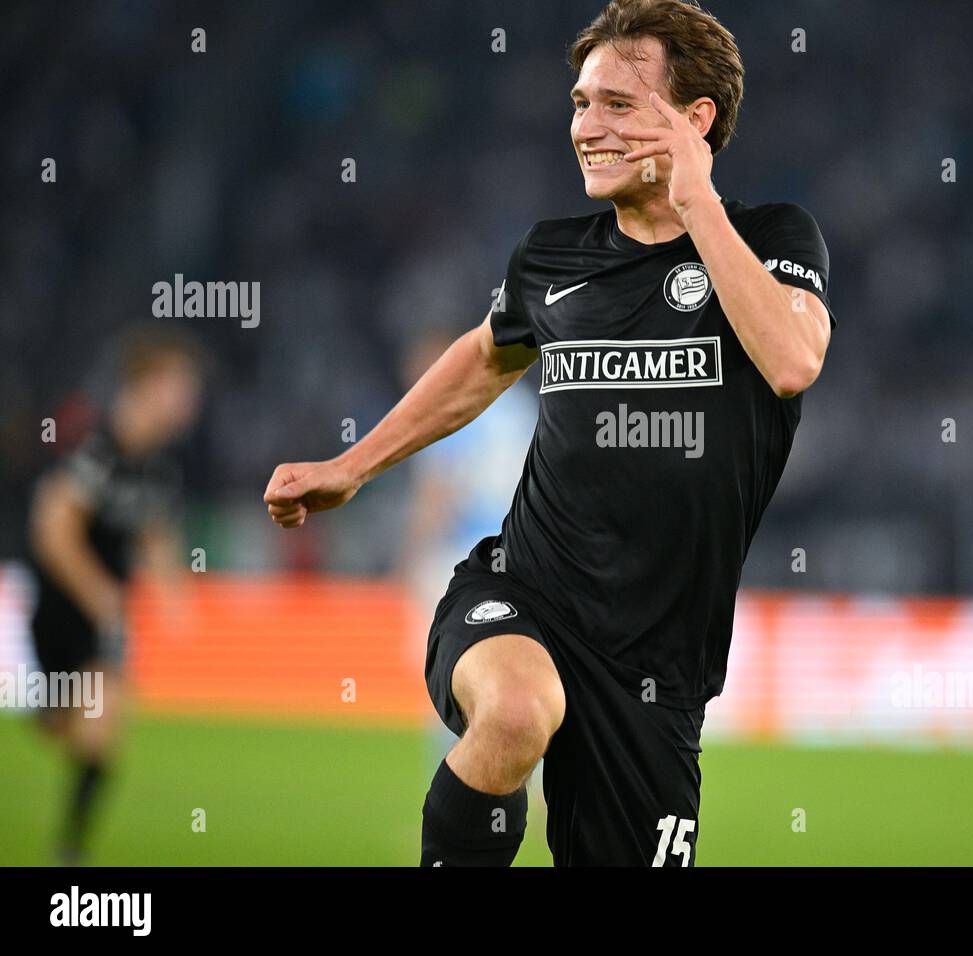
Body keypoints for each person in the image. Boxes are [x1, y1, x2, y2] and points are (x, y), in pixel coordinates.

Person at [264, 0, 834, 866]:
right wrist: (353, 466)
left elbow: (792, 360)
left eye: (617, 104)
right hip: (524, 591)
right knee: (518, 712)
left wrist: (698, 200)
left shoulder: (775, 239)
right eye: (579, 102)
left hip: (659, 667)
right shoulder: (552, 256)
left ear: (695, 119)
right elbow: (486, 358)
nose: (586, 127)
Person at [28, 328, 203, 864]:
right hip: (58, 612)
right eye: (180, 387)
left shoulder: (158, 467)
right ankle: (48, 713)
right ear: (147, 386)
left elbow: (154, 531)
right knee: (66, 727)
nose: (189, 402)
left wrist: (172, 588)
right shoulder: (97, 449)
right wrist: (97, 591)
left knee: (103, 729)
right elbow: (51, 527)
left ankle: (69, 851)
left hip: (103, 622)